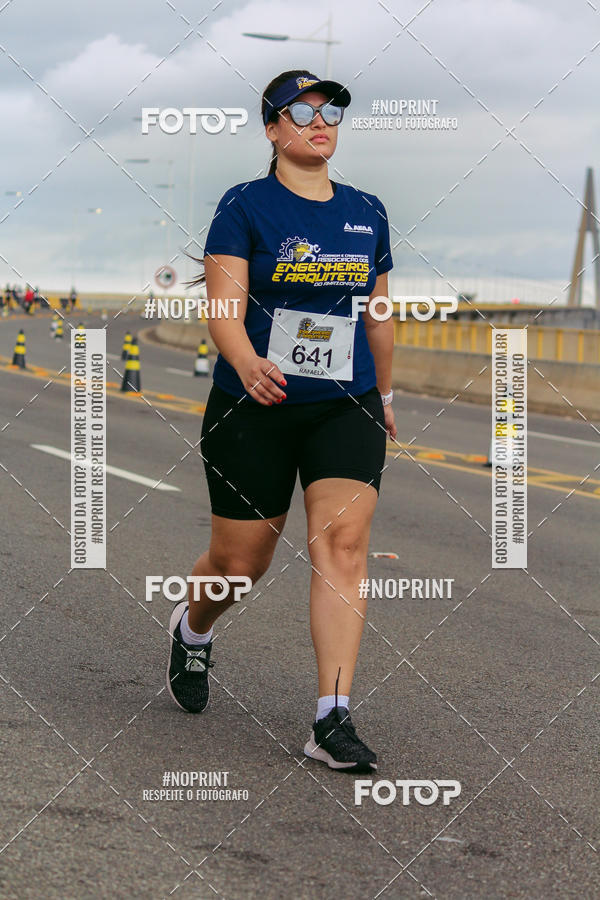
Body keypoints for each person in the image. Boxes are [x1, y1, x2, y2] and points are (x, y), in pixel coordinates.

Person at [167, 69, 397, 773]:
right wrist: (246, 360)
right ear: (272, 129)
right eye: (300, 111)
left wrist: (384, 395)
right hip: (252, 406)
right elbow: (222, 309)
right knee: (242, 563)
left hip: (344, 402)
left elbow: (378, 312)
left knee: (343, 548)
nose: (319, 121)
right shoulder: (245, 206)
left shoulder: (367, 210)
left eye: (330, 111)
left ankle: (331, 718)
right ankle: (193, 626)